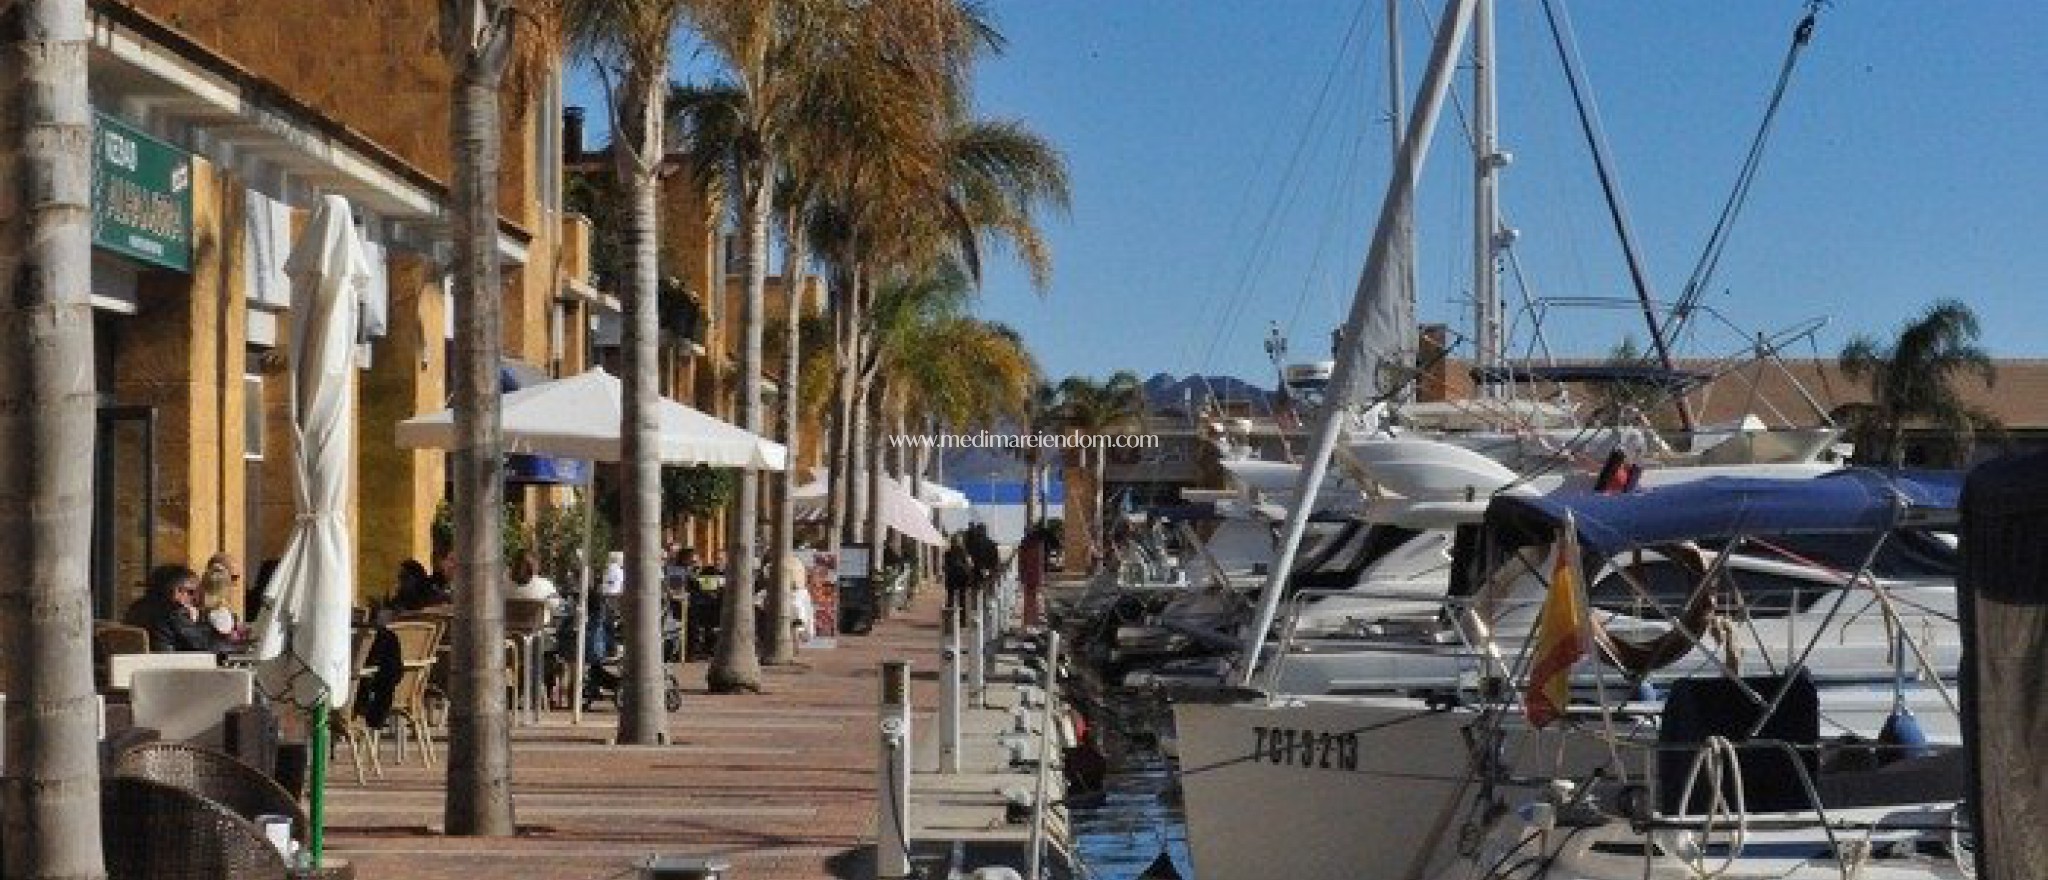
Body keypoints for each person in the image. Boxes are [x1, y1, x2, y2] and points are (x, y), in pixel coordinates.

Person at [123, 564, 227, 653]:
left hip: (138, 670)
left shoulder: (136, 608)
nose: (196, 598)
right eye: (191, 592)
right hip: (169, 670)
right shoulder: (174, 612)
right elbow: (207, 646)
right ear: (177, 591)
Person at [508, 552, 559, 623]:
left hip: (508, 629)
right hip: (538, 630)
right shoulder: (545, 584)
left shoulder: (503, 585)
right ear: (536, 566)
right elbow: (556, 605)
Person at [942, 534, 973, 616]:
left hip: (952, 579)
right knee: (961, 599)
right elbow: (970, 565)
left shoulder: (947, 553)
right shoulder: (964, 553)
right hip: (961, 579)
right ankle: (962, 620)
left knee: (951, 599)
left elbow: (945, 566)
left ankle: (950, 619)